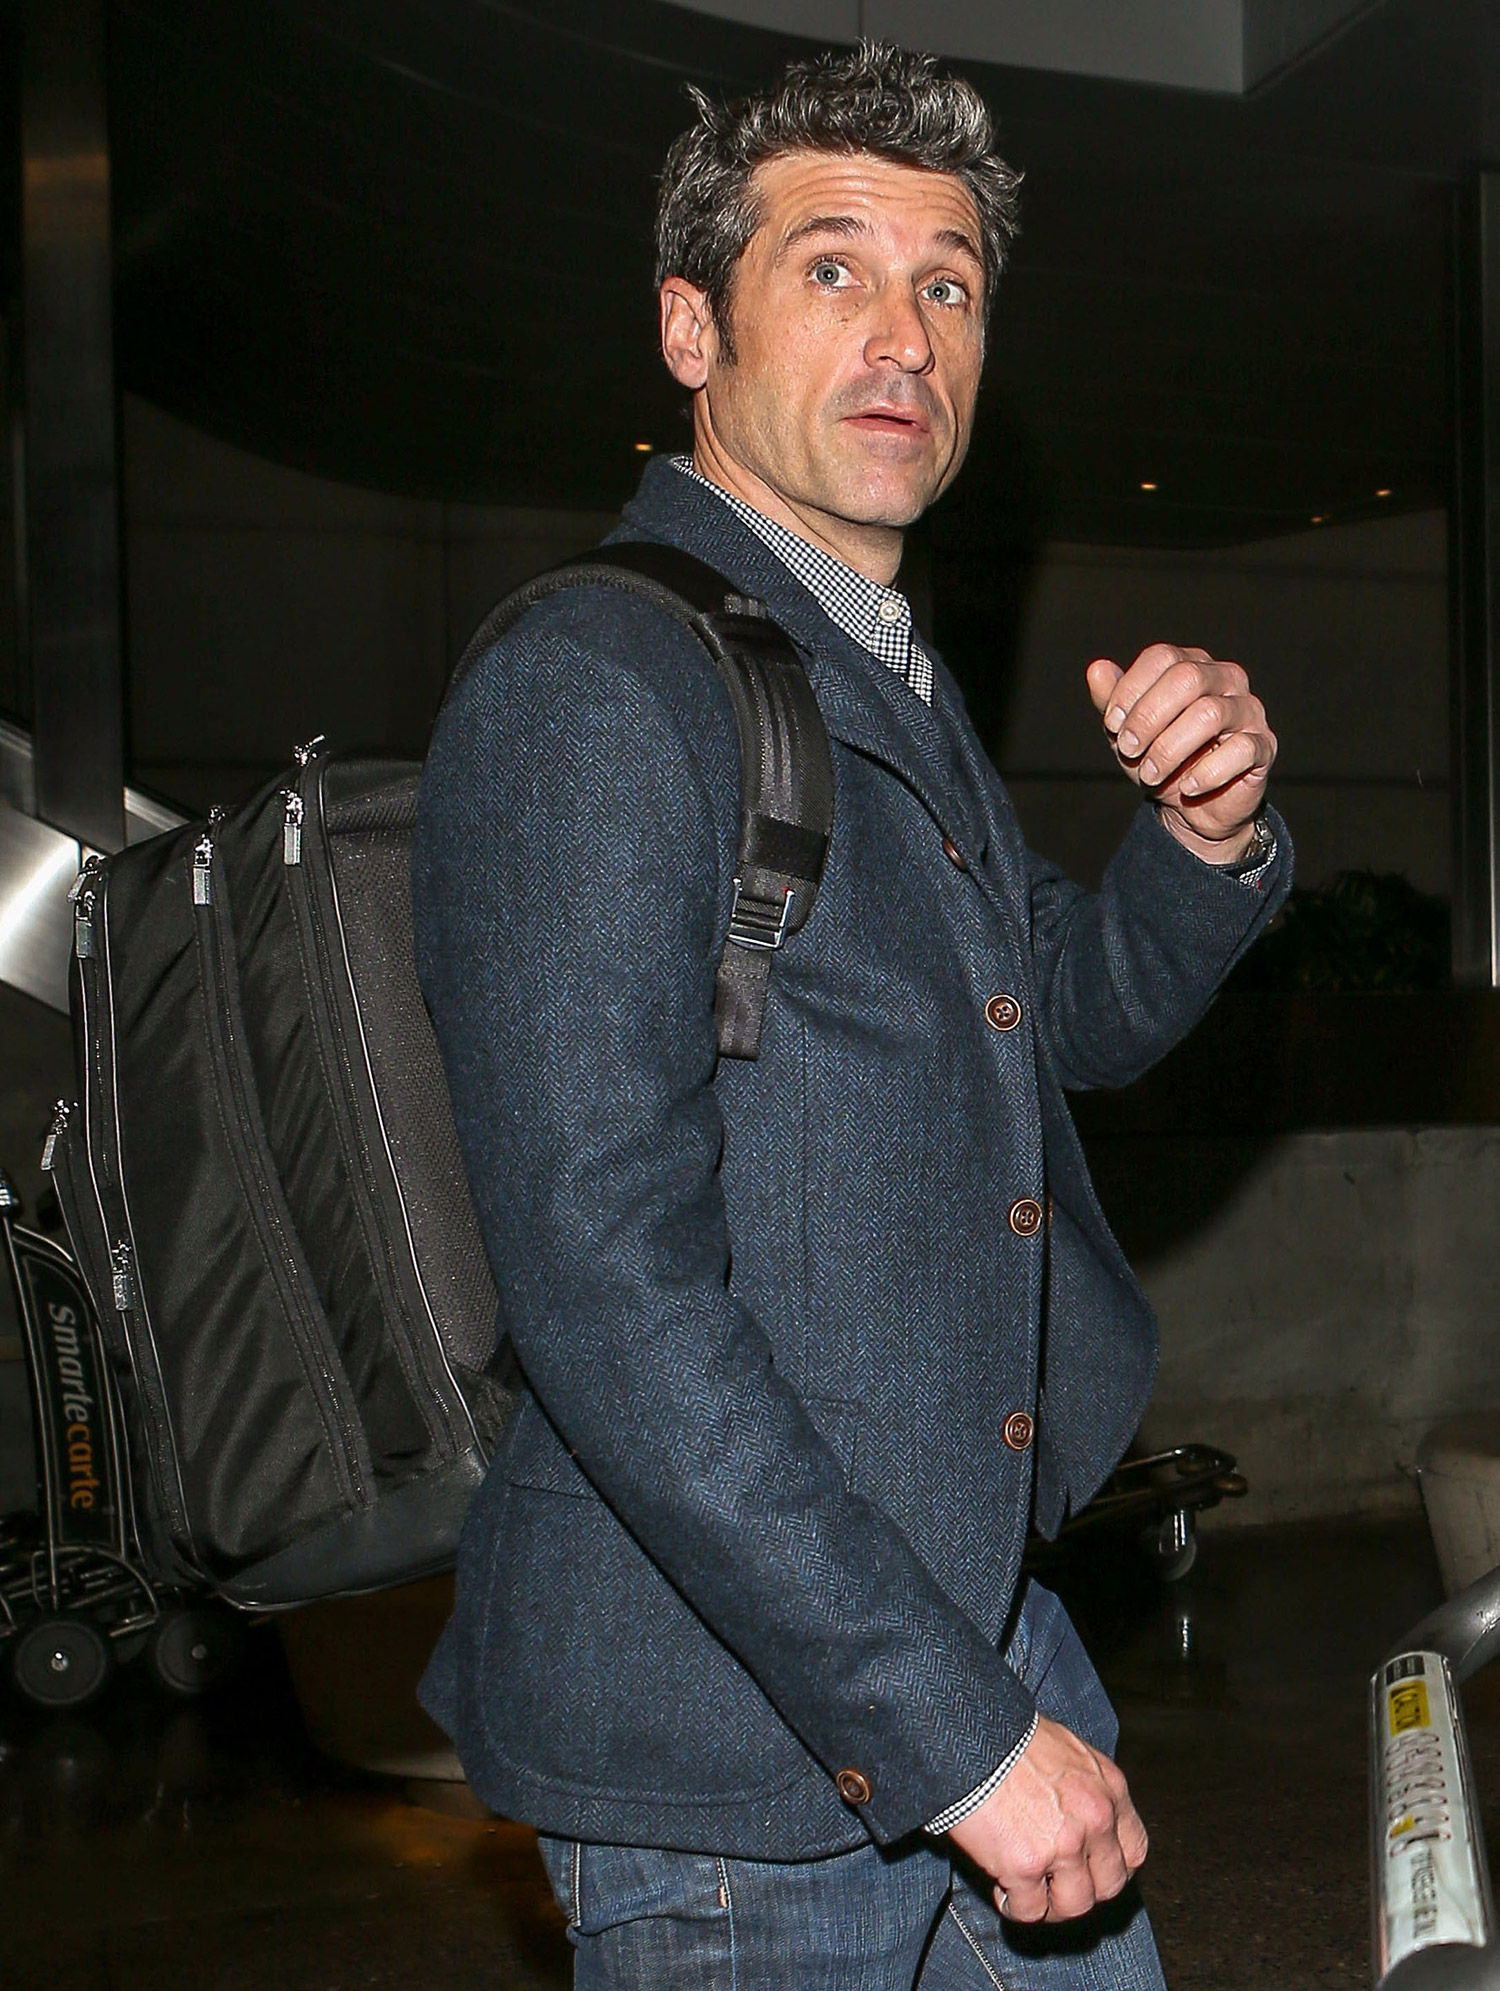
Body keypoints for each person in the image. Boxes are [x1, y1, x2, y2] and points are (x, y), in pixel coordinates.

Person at [413, 40, 1287, 1991]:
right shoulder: (598, 686)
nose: (905, 331)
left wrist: (1205, 843)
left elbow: (1059, 1015)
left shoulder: (870, 670)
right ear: (688, 325)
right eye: (831, 266)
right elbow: (608, 1298)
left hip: (965, 1630)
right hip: (740, 1734)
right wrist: (951, 1730)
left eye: (949, 282)